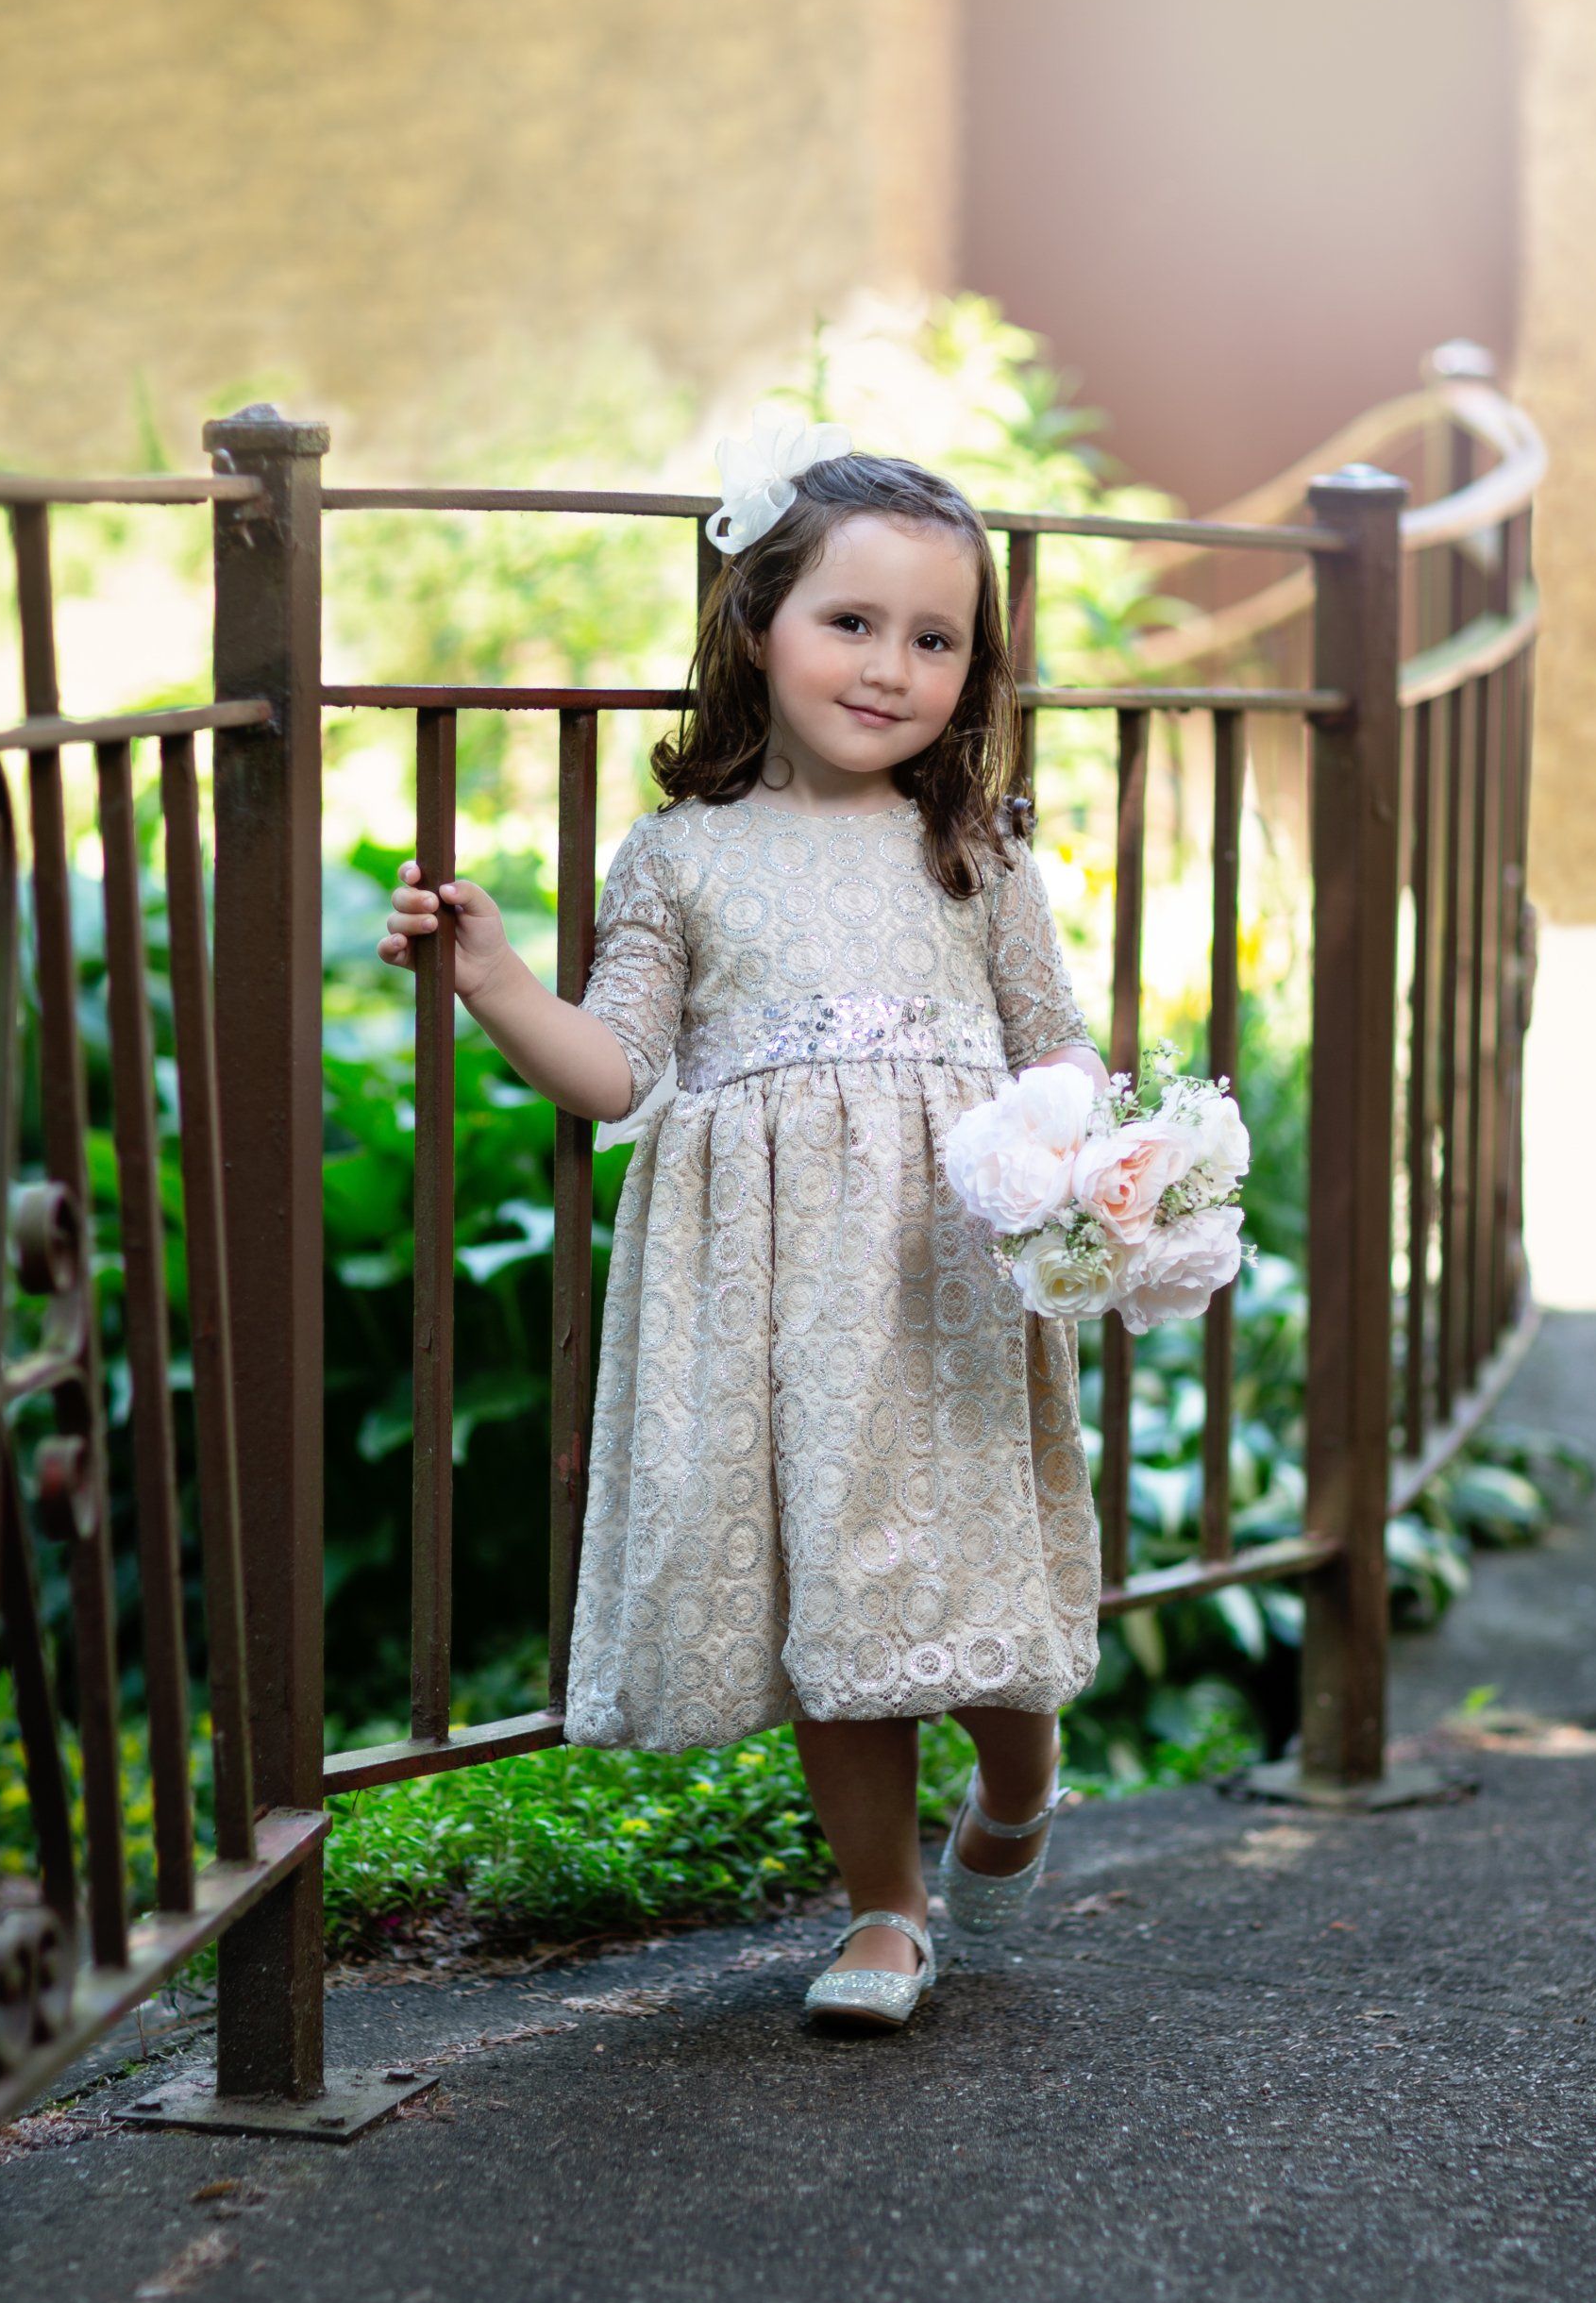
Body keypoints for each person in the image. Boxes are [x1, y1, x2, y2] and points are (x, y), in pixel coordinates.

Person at [378, 412, 1105, 2031]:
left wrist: (1084, 1149)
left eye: (935, 639)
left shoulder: (972, 851)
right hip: (779, 1294)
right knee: (838, 1604)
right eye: (851, 623)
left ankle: (1019, 1776)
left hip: (947, 1281)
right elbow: (619, 1069)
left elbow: (1056, 1038)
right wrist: (494, 979)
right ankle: (884, 1912)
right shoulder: (682, 860)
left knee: (983, 1611)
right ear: (757, 622)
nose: (890, 667)